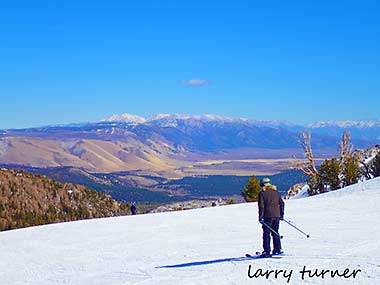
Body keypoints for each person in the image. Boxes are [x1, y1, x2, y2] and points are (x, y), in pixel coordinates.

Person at [258, 177, 285, 256]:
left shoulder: (262, 193)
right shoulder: (275, 192)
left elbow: (261, 206)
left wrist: (260, 216)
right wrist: (281, 214)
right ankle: (278, 249)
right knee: (275, 232)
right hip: (277, 215)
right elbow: (282, 203)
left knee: (266, 233)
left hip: (267, 216)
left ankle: (267, 251)